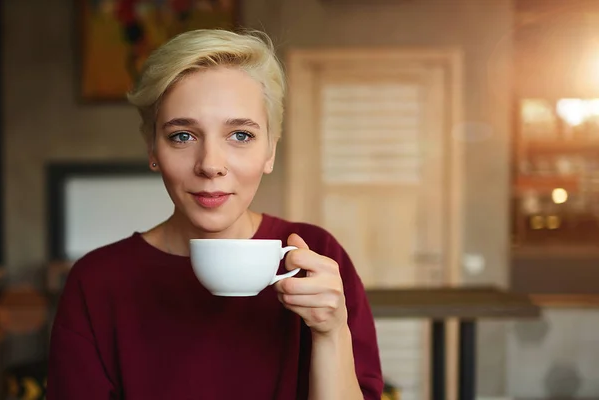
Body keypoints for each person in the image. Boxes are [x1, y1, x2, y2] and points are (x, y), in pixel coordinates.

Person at [46, 28, 383, 400]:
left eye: (240, 135)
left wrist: (331, 333)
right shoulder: (96, 282)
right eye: (183, 136)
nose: (210, 165)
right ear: (152, 149)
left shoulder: (317, 257)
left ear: (270, 150)